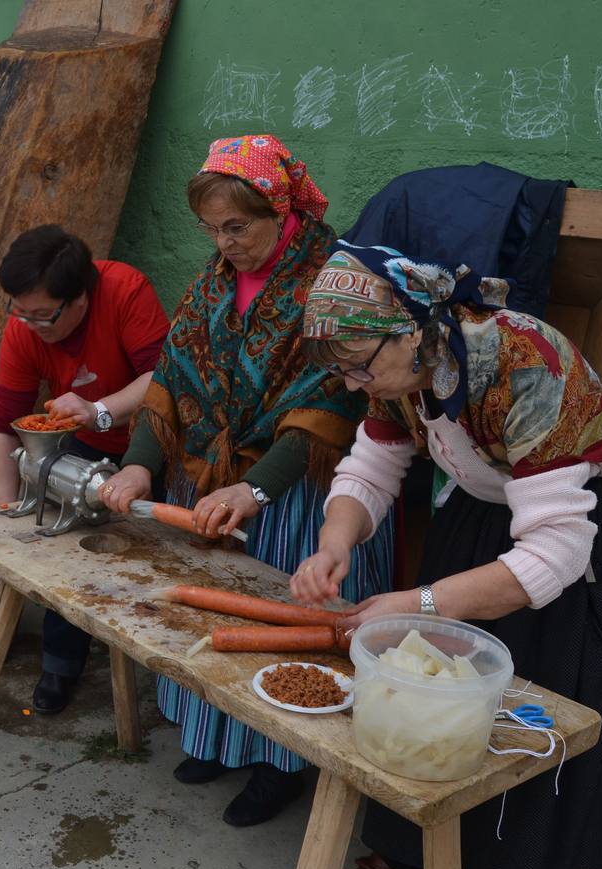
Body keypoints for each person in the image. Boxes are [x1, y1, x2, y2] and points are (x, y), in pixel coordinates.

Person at [291, 242, 602, 869]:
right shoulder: (400, 367)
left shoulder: (524, 366)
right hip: (483, 513)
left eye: (356, 367)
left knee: (519, 712)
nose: (353, 385)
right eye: (342, 373)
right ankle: (407, 856)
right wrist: (334, 540)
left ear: (411, 331)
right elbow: (373, 465)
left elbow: (553, 555)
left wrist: (425, 602)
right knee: (432, 694)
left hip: (576, 533)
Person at [99, 136, 392, 827]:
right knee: (211, 617)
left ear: (280, 210)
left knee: (283, 628)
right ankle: (219, 739)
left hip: (291, 493)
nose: (225, 243)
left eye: (239, 227)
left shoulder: (331, 281)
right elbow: (173, 376)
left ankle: (281, 763)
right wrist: (142, 460)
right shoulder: (211, 284)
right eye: (212, 229)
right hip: (206, 481)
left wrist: (255, 489)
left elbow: (332, 404)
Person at [0, 224, 169, 714]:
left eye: (42, 316)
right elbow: (2, 426)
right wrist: (7, 509)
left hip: (153, 440)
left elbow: (164, 379)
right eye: (20, 312)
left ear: (82, 298)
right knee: (64, 549)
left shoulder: (126, 290)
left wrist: (101, 409)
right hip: (83, 446)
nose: (29, 324)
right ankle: (60, 667)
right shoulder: (23, 326)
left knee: (154, 558)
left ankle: (164, 685)